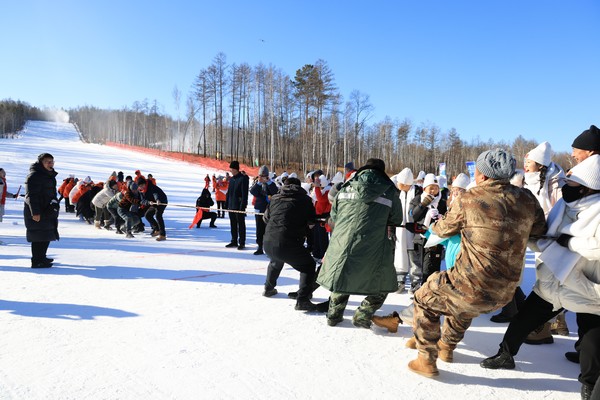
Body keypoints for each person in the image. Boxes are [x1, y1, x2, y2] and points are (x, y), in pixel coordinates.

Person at [406, 148, 546, 378]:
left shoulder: (469, 199)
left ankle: (426, 360)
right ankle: (446, 347)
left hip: (473, 286)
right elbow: (540, 231)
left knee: (424, 298)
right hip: (505, 293)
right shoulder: (527, 198)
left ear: (481, 175)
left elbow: (443, 229)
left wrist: (433, 225)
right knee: (461, 301)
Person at [480, 154, 600, 400]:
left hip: (584, 282)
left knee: (591, 338)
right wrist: (531, 238)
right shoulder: (565, 203)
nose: (566, 187)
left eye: (572, 183)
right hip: (553, 277)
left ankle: (589, 386)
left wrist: (572, 242)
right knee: (524, 318)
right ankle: (506, 354)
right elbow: (548, 232)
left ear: (588, 187)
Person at [316, 158, 403, 328]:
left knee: (342, 274)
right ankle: (362, 315)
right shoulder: (389, 191)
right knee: (383, 282)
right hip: (373, 245)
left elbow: (334, 216)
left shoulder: (347, 186)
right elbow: (396, 218)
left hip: (342, 242)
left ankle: (333, 315)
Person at [262, 177, 318, 311]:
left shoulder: (275, 198)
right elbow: (311, 221)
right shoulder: (305, 200)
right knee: (308, 265)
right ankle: (303, 299)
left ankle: (268, 288)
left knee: (276, 259)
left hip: (268, 241)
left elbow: (265, 218)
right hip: (289, 242)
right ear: (299, 187)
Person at [407, 173, 447, 293]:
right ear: (424, 188)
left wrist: (440, 217)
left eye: (436, 187)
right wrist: (423, 204)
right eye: (431, 187)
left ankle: (430, 290)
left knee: (433, 266)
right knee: (420, 266)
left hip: (435, 238)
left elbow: (445, 216)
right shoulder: (418, 199)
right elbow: (413, 215)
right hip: (420, 237)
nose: (434, 190)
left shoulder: (441, 201)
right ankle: (420, 289)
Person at [24, 153, 60, 268]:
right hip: (37, 210)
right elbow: (31, 196)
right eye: (47, 162)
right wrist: (35, 212)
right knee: (38, 235)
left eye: (52, 161)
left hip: (47, 209)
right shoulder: (35, 176)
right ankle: (36, 260)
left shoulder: (48, 175)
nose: (50, 164)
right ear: (41, 163)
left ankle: (42, 257)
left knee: (46, 234)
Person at [392, 167, 420, 293]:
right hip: (399, 229)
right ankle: (400, 279)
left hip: (412, 229)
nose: (397, 184)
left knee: (413, 255)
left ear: (403, 183)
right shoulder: (397, 193)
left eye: (398, 182)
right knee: (400, 255)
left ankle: (416, 281)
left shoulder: (417, 193)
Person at [250, 165, 278, 255]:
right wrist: (259, 182)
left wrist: (268, 182)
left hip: (269, 210)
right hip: (259, 209)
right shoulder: (257, 183)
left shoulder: (271, 183)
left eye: (264, 175)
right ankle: (259, 246)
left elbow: (275, 191)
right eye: (260, 175)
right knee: (259, 229)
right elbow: (253, 192)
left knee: (269, 229)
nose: (262, 177)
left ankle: (269, 247)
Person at [225, 161, 249, 250]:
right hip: (231, 205)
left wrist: (242, 206)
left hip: (239, 206)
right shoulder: (231, 179)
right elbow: (229, 193)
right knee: (233, 224)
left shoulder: (243, 179)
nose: (230, 170)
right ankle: (234, 240)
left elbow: (244, 194)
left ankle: (242, 242)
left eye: (231, 168)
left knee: (241, 224)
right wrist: (226, 203)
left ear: (235, 169)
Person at [137, 177, 168, 241]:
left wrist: (157, 200)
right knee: (147, 215)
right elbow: (142, 200)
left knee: (158, 215)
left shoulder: (151, 187)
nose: (141, 187)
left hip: (161, 201)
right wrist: (148, 202)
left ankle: (162, 235)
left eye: (142, 185)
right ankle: (157, 229)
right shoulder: (140, 191)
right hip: (153, 203)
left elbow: (155, 194)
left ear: (145, 183)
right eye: (140, 186)